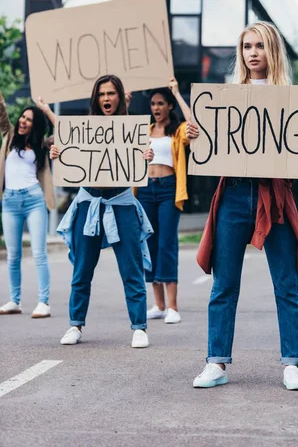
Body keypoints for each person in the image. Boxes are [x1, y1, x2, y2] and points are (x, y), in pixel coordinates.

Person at [186, 21, 298, 390]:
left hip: (273, 196)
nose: (252, 52)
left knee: (286, 284)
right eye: (246, 46)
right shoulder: (226, 96)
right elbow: (209, 148)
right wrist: (195, 134)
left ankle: (292, 363)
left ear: (271, 50)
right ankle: (216, 362)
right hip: (232, 194)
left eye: (259, 45)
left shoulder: (289, 98)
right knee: (224, 284)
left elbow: (297, 157)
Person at [50, 74, 154, 347]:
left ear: (119, 96)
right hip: (89, 204)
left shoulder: (130, 128)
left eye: (111, 93)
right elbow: (68, 154)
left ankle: (139, 327)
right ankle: (75, 324)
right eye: (101, 94)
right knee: (82, 269)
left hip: (121, 203)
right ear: (95, 98)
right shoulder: (82, 128)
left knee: (131, 269)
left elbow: (137, 161)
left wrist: (145, 157)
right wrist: (58, 154)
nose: (106, 98)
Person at [136, 78, 191, 324]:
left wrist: (178, 93)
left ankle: (173, 307)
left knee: (167, 243)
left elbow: (194, 125)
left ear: (169, 106)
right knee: (149, 243)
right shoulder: (144, 131)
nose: (156, 108)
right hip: (146, 189)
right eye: (153, 104)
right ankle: (158, 304)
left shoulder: (177, 131)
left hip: (169, 189)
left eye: (161, 103)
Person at [0, 91, 55, 318]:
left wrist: (45, 109)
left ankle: (43, 302)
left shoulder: (42, 144)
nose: (23, 121)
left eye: (29, 120)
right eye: (23, 117)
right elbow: (1, 113)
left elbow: (66, 132)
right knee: (13, 255)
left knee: (39, 253)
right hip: (10, 201)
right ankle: (15, 300)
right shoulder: (10, 136)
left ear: (35, 125)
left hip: (34, 200)